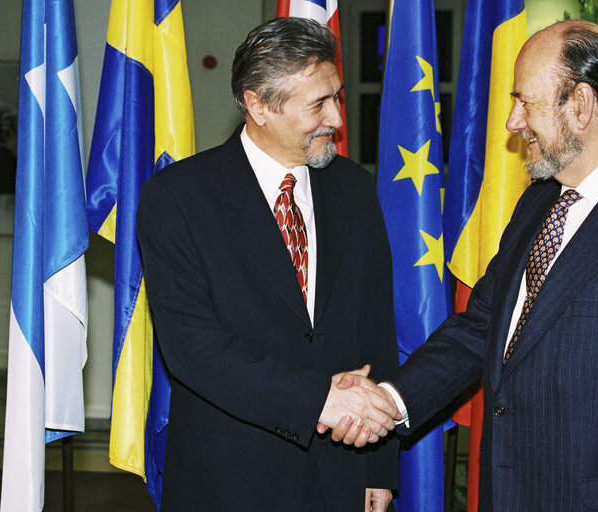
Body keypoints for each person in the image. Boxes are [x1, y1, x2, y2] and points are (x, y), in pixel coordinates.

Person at [331, 19, 598, 511]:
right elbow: (480, 328)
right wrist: (390, 401)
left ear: (580, 106)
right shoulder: (537, 204)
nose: (512, 122)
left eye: (526, 102)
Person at [136, 17, 400, 512]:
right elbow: (193, 348)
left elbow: (376, 330)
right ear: (257, 104)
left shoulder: (354, 188)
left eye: (337, 97)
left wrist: (380, 469)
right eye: (318, 104)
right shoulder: (177, 198)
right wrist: (319, 398)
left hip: (343, 469)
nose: (337, 119)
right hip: (229, 478)